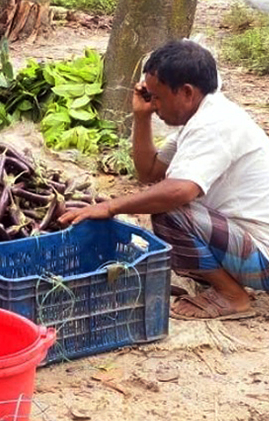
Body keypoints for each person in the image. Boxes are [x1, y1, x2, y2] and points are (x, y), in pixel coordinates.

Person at [60, 39, 269, 320]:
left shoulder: (215, 125)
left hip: (261, 256)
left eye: (157, 97)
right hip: (242, 243)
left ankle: (232, 295)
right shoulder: (197, 120)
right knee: (164, 200)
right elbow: (149, 172)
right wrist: (142, 117)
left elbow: (180, 191)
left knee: (170, 210)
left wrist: (111, 207)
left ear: (186, 92)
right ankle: (222, 279)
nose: (153, 103)